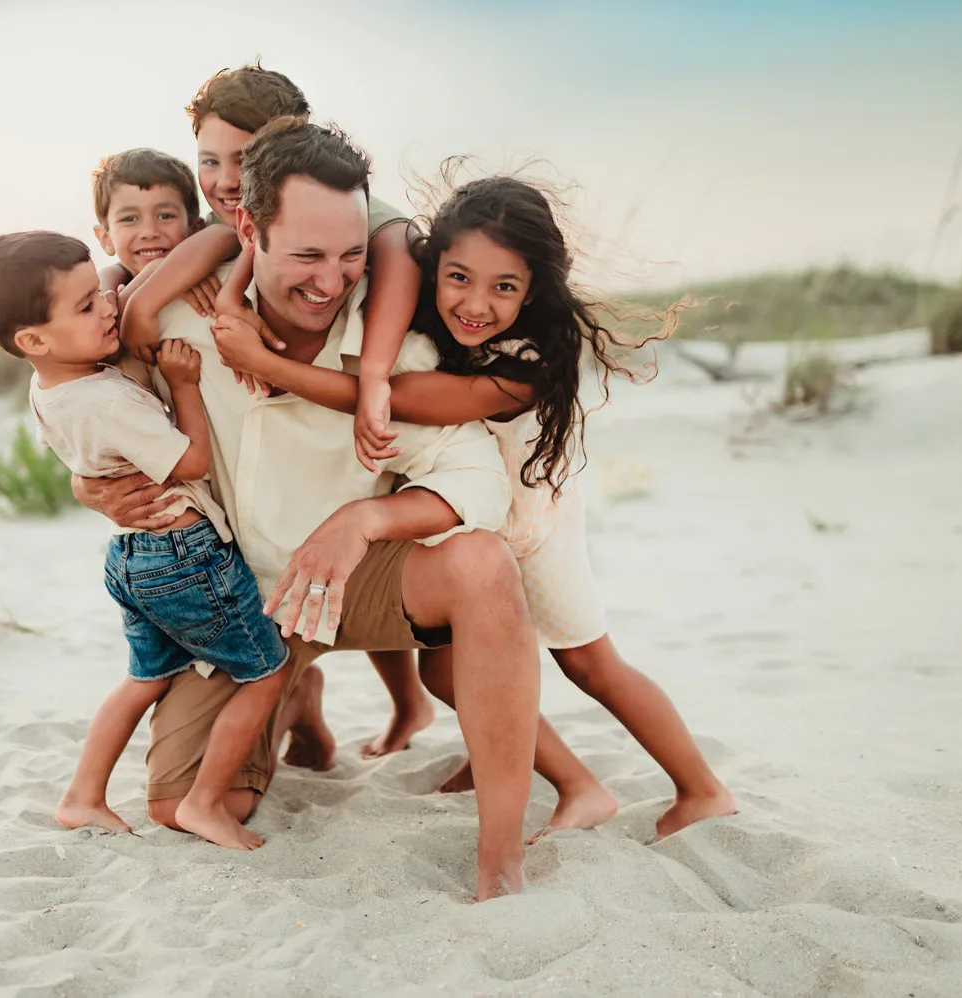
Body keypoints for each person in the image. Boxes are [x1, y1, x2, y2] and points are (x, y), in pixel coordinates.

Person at [73, 119, 541, 900]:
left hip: (354, 583)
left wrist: (365, 521)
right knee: (181, 804)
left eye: (352, 254)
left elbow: (476, 480)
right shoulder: (178, 329)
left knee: (482, 564)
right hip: (238, 603)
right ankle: (292, 702)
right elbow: (78, 401)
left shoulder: (395, 346)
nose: (333, 281)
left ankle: (502, 861)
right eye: (309, 256)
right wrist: (87, 486)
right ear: (247, 230)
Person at [212, 175, 737, 840]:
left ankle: (699, 788)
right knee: (446, 664)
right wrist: (231, 288)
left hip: (526, 519)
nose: (477, 304)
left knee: (588, 661)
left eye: (504, 287)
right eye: (458, 277)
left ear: (535, 288)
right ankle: (548, 772)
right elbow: (381, 231)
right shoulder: (424, 305)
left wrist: (267, 364)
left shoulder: (527, 360)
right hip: (458, 504)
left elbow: (403, 398)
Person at [115, 61, 437, 759]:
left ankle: (408, 700)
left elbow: (398, 249)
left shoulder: (344, 213)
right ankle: (308, 700)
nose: (228, 177)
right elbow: (199, 245)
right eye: (210, 160)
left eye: (245, 157)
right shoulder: (214, 226)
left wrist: (372, 374)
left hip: (347, 483)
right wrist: (155, 296)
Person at [0, 231, 290, 851]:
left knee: (145, 678)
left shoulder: (49, 386)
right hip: (186, 557)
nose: (110, 305)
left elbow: (111, 290)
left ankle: (82, 795)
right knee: (267, 673)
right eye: (87, 306)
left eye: (101, 293)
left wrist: (109, 292)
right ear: (32, 339)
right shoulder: (108, 397)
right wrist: (184, 384)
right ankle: (204, 802)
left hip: (129, 559)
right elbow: (190, 461)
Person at [89, 147, 221, 319]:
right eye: (129, 219)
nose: (149, 232)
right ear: (105, 239)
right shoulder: (108, 304)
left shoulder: (215, 280)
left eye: (165, 216)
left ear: (195, 229)